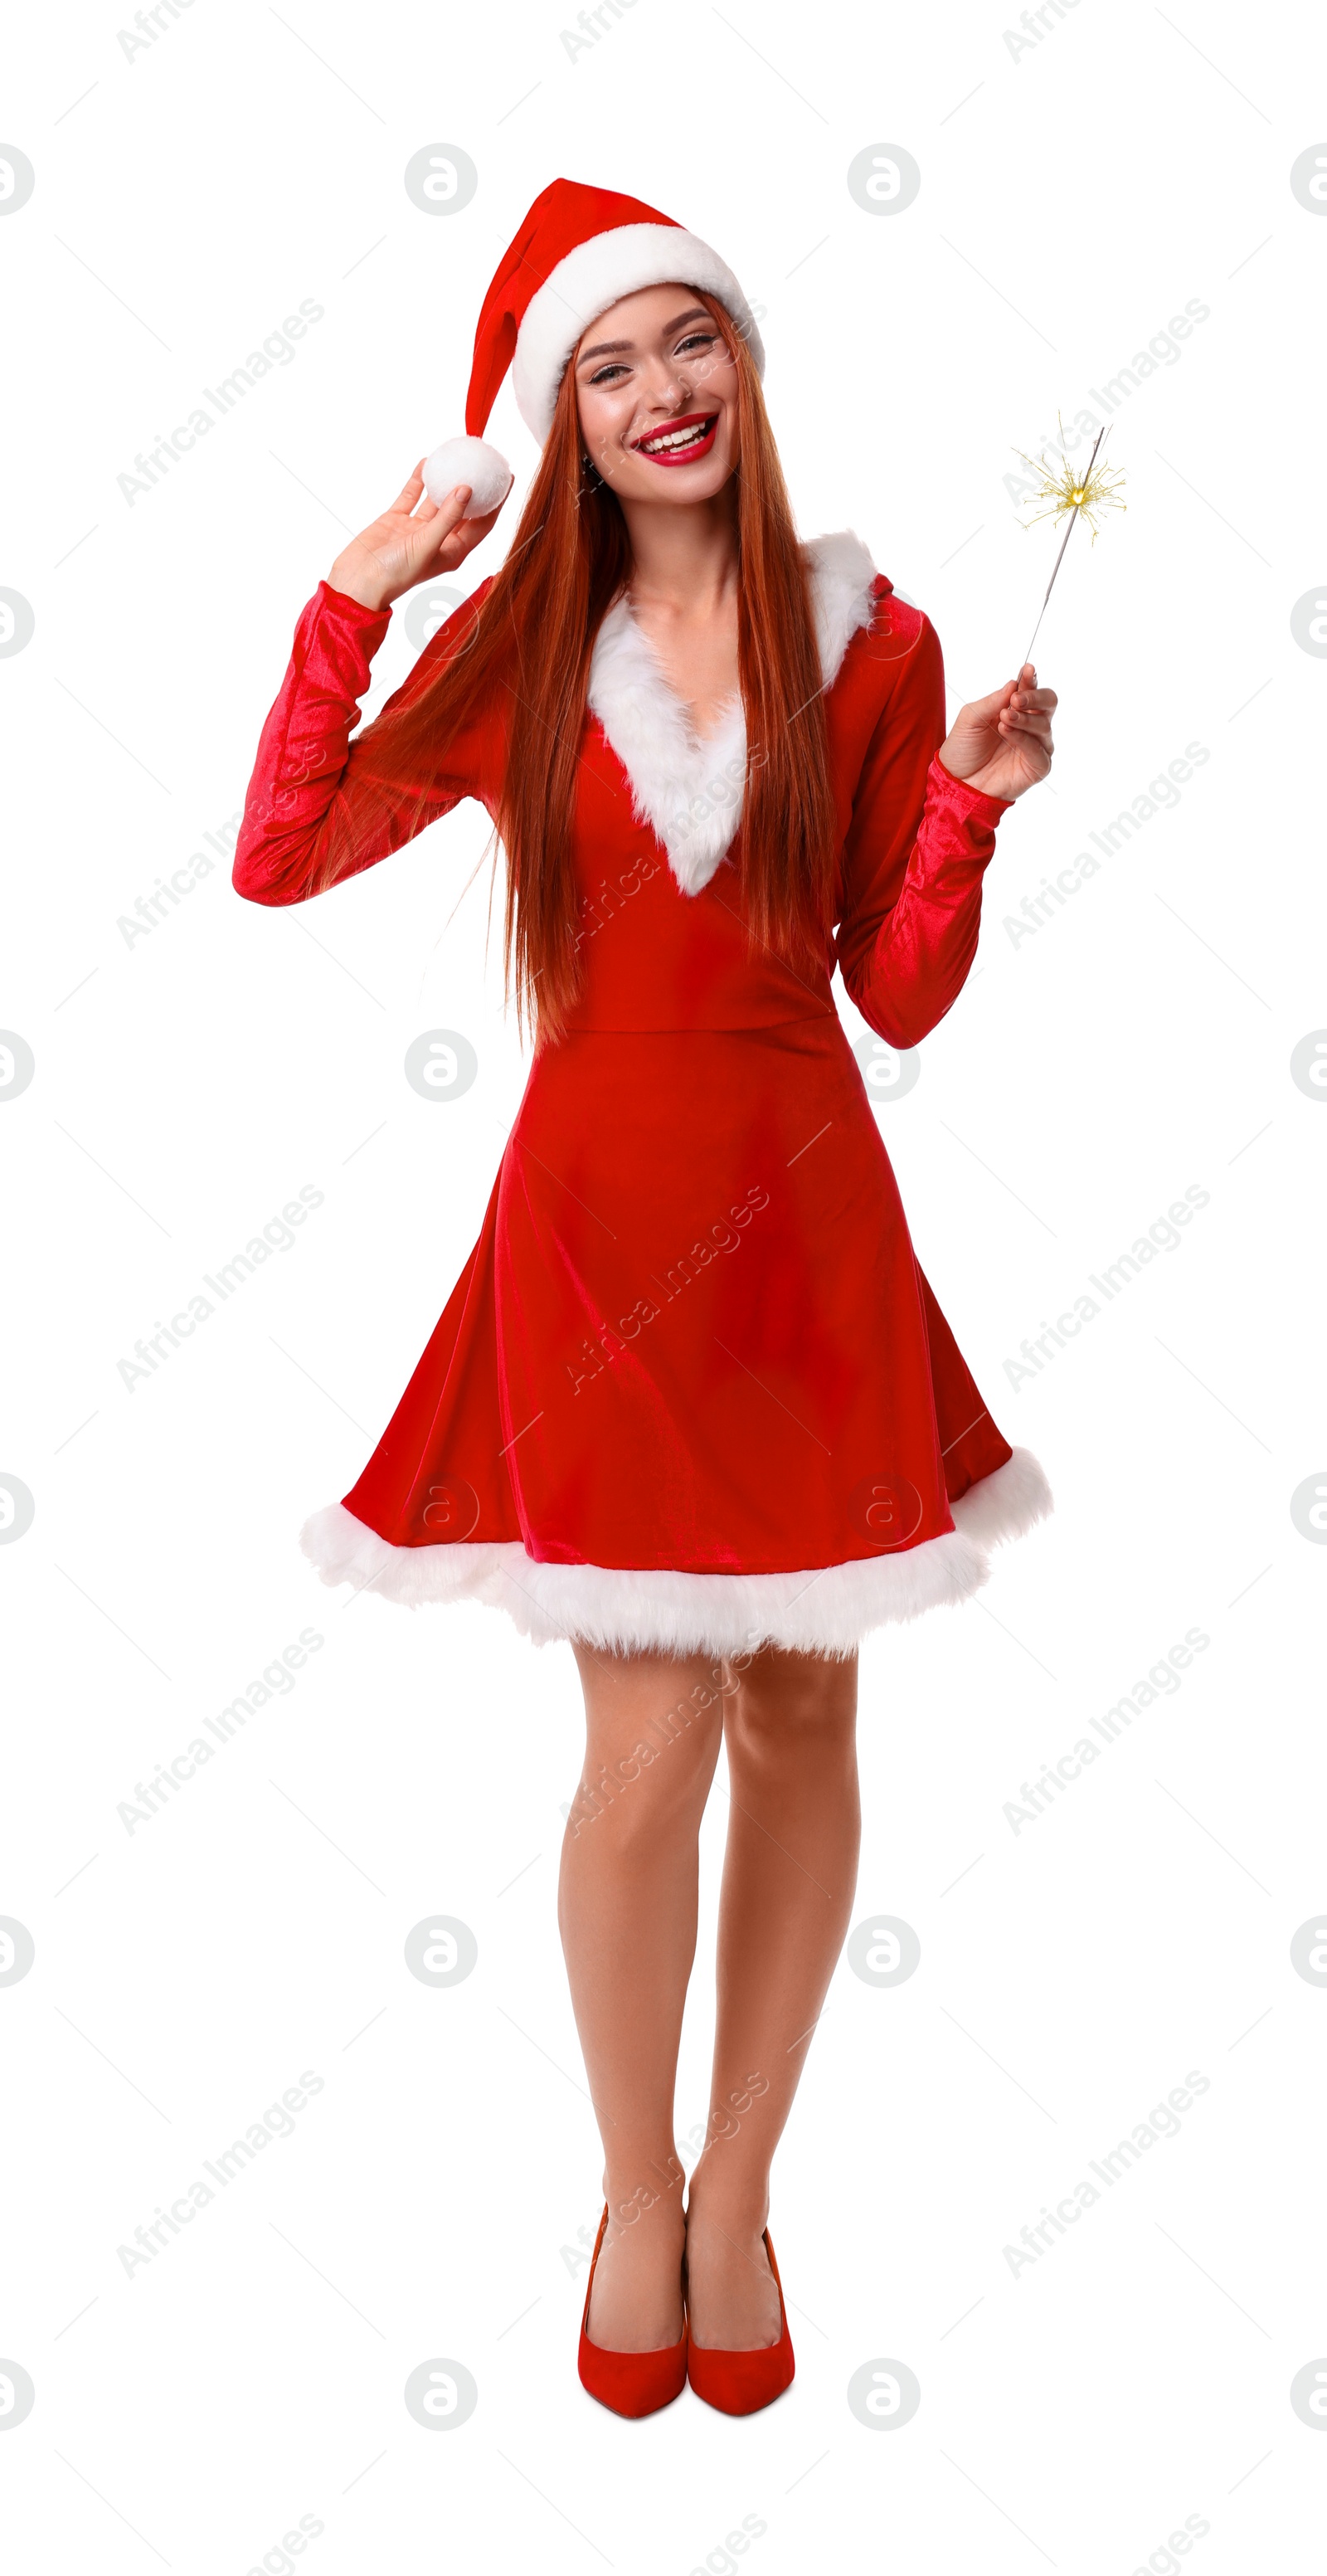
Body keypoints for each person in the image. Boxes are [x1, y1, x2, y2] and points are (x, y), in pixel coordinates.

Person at [233, 178, 1056, 2417]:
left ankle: (741, 2191)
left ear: (745, 368)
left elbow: (896, 986)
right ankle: (625, 2188)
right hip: (598, 1243)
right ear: (559, 420)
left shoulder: (870, 645)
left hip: (808, 1234)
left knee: (804, 1717)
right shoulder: (513, 647)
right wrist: (359, 586)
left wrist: (967, 808)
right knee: (645, 1737)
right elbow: (280, 848)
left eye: (689, 343)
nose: (662, 391)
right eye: (608, 366)